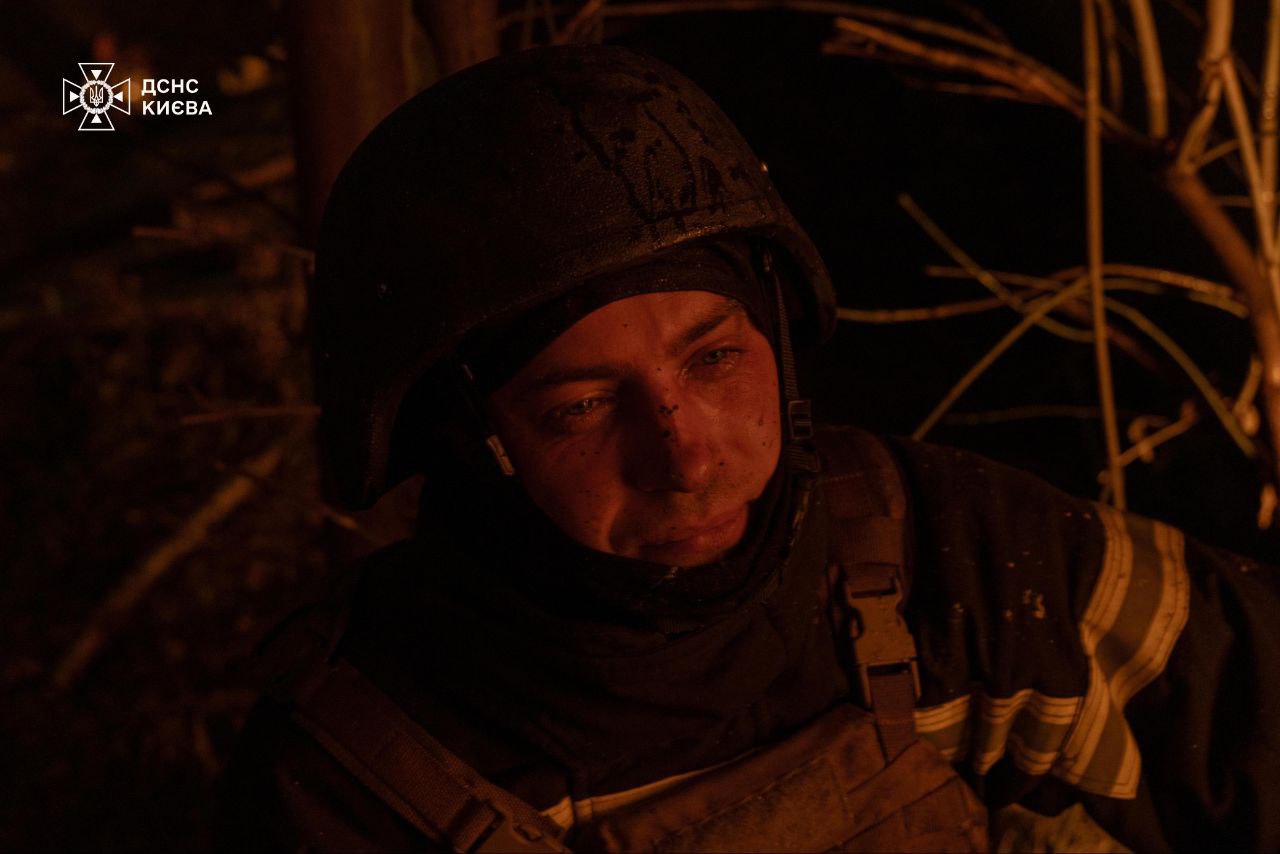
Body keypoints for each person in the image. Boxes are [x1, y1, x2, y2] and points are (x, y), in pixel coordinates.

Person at [222, 45, 1280, 852]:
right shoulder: (357, 774)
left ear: (774, 326)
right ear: (469, 445)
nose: (686, 458)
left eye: (715, 359)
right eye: (583, 407)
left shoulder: (956, 569)